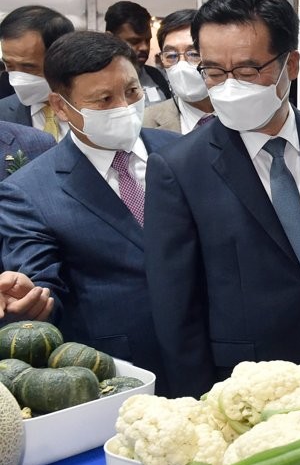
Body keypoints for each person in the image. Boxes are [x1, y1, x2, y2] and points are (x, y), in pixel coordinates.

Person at [144, 0, 300, 398]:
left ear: (289, 65)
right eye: (214, 72)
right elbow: (176, 309)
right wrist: (199, 403)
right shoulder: (180, 169)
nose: (227, 87)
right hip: (247, 387)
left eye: (246, 71)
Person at [0, 31, 180, 384]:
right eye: (103, 100)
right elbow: (42, 287)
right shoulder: (28, 192)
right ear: (61, 107)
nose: (124, 108)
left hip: (212, 357)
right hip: (119, 372)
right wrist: (28, 300)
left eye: (131, 91)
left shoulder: (183, 153)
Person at [0, 5, 74, 140]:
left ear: (62, 58)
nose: (18, 79)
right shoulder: (2, 114)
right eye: (9, 66)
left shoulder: (97, 110)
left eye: (28, 67)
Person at [143, 9, 215, 133]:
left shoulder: (245, 113)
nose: (182, 66)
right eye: (171, 56)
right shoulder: (146, 123)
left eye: (194, 54)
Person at [104, 1, 171, 103]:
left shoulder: (157, 77)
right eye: (134, 41)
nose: (144, 47)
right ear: (110, 38)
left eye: (147, 40)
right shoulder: (95, 81)